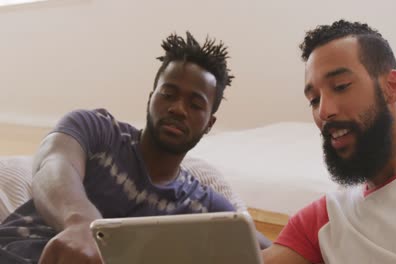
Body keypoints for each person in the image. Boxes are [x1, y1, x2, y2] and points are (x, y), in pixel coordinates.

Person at [0, 32, 269, 264]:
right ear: (152, 98)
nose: (178, 108)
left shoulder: (204, 207)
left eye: (195, 105)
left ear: (209, 123)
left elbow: (268, 248)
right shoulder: (97, 130)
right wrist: (80, 222)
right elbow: (53, 165)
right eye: (169, 94)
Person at [262, 20, 396, 263]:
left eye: (340, 86)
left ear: (392, 87)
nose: (324, 112)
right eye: (314, 100)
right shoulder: (321, 221)